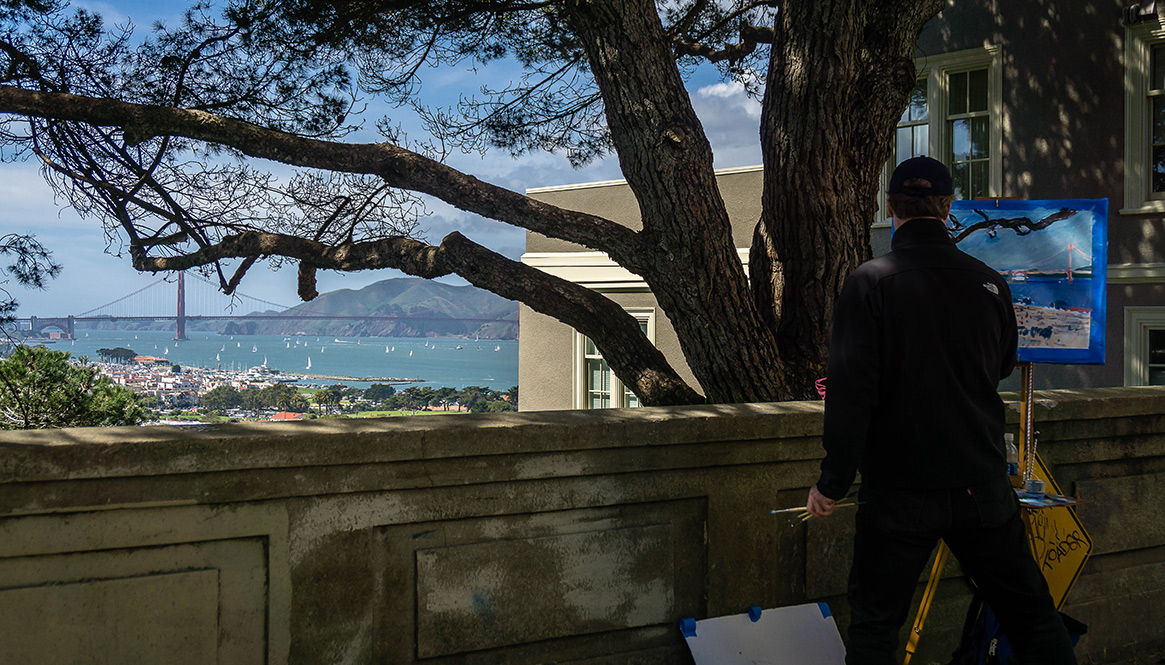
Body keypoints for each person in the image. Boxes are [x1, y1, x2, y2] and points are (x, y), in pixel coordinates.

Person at [805, 156, 1077, 665]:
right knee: (1032, 616)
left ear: (891, 208)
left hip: (900, 490)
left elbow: (850, 394)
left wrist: (832, 482)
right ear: (948, 209)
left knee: (876, 628)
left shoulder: (869, 282)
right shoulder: (990, 283)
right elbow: (999, 368)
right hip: (981, 484)